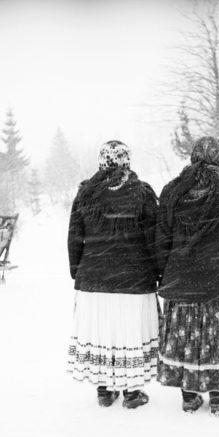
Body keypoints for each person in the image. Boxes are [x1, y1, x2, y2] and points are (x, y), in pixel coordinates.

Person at [156, 136, 219, 416]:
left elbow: (161, 239)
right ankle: (217, 397)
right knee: (217, 338)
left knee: (184, 336)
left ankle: (188, 397)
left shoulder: (172, 191)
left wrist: (163, 274)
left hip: (180, 280)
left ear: (192, 157)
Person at [67, 140, 159, 409]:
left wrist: (78, 272)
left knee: (101, 332)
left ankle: (105, 391)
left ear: (101, 161)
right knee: (130, 332)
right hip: (135, 278)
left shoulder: (86, 193)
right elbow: (155, 237)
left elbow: (75, 237)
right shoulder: (142, 192)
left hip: (93, 278)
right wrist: (158, 271)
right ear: (127, 160)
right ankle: (131, 393)